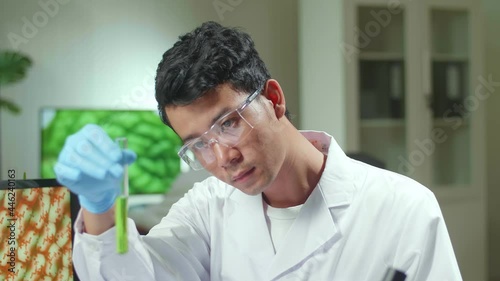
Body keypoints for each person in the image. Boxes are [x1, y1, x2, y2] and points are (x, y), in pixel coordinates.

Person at [54, 21, 462, 280]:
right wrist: (101, 209)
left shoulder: (403, 209)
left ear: (274, 98)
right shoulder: (207, 209)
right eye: (199, 146)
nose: (222, 159)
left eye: (228, 123)